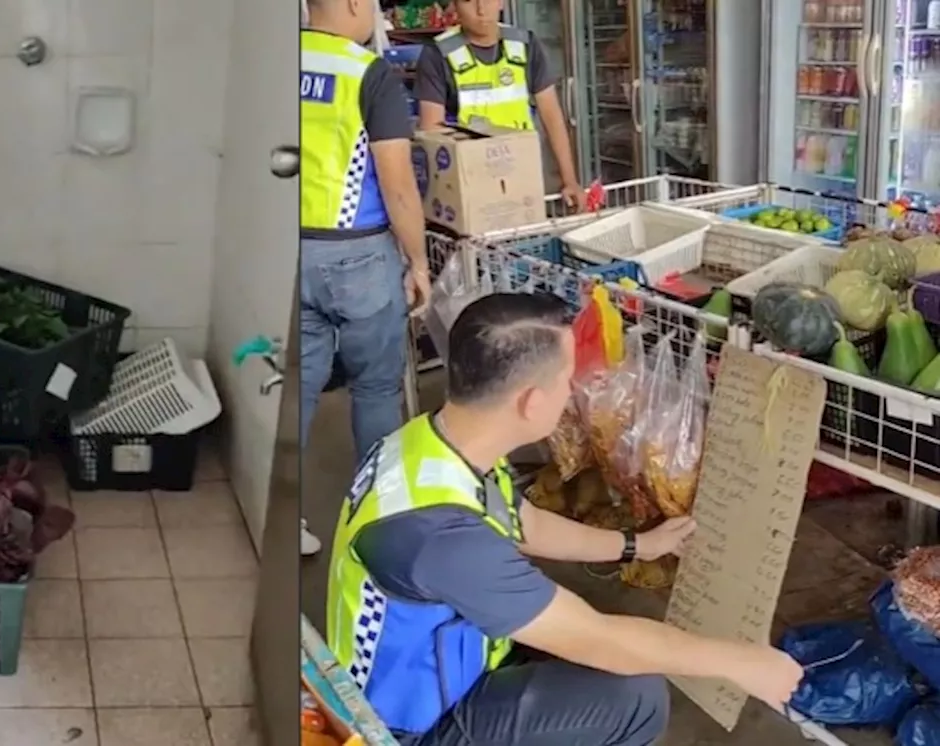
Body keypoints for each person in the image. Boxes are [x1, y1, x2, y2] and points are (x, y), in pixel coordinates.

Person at [325, 292, 803, 745]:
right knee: (633, 697)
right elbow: (598, 640)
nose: (574, 392)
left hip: (434, 667)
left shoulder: (429, 444)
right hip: (403, 729)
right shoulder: (441, 536)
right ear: (531, 402)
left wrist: (638, 545)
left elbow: (525, 523)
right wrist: (742, 661)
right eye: (568, 380)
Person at [300, 0, 431, 556]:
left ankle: (283, 524)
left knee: (296, 394)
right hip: (357, 255)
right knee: (376, 388)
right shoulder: (366, 72)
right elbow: (397, 184)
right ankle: (379, 523)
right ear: (354, 4)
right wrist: (419, 260)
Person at [413, 0, 586, 210]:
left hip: (523, 180)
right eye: (469, 1)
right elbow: (432, 131)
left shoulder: (525, 45)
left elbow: (552, 115)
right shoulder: (437, 55)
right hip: (470, 187)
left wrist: (569, 180)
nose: (481, 9)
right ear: (455, 6)